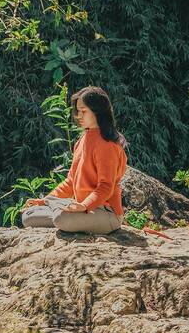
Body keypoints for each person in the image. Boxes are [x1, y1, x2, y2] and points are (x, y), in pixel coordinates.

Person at [20, 86, 128, 235]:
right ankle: (61, 212)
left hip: (106, 213)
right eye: (77, 111)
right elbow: (71, 182)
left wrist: (84, 205)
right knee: (29, 216)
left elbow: (105, 186)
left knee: (61, 218)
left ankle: (65, 215)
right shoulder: (82, 140)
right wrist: (45, 200)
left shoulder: (107, 145)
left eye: (83, 111)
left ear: (98, 112)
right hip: (81, 209)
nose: (78, 116)